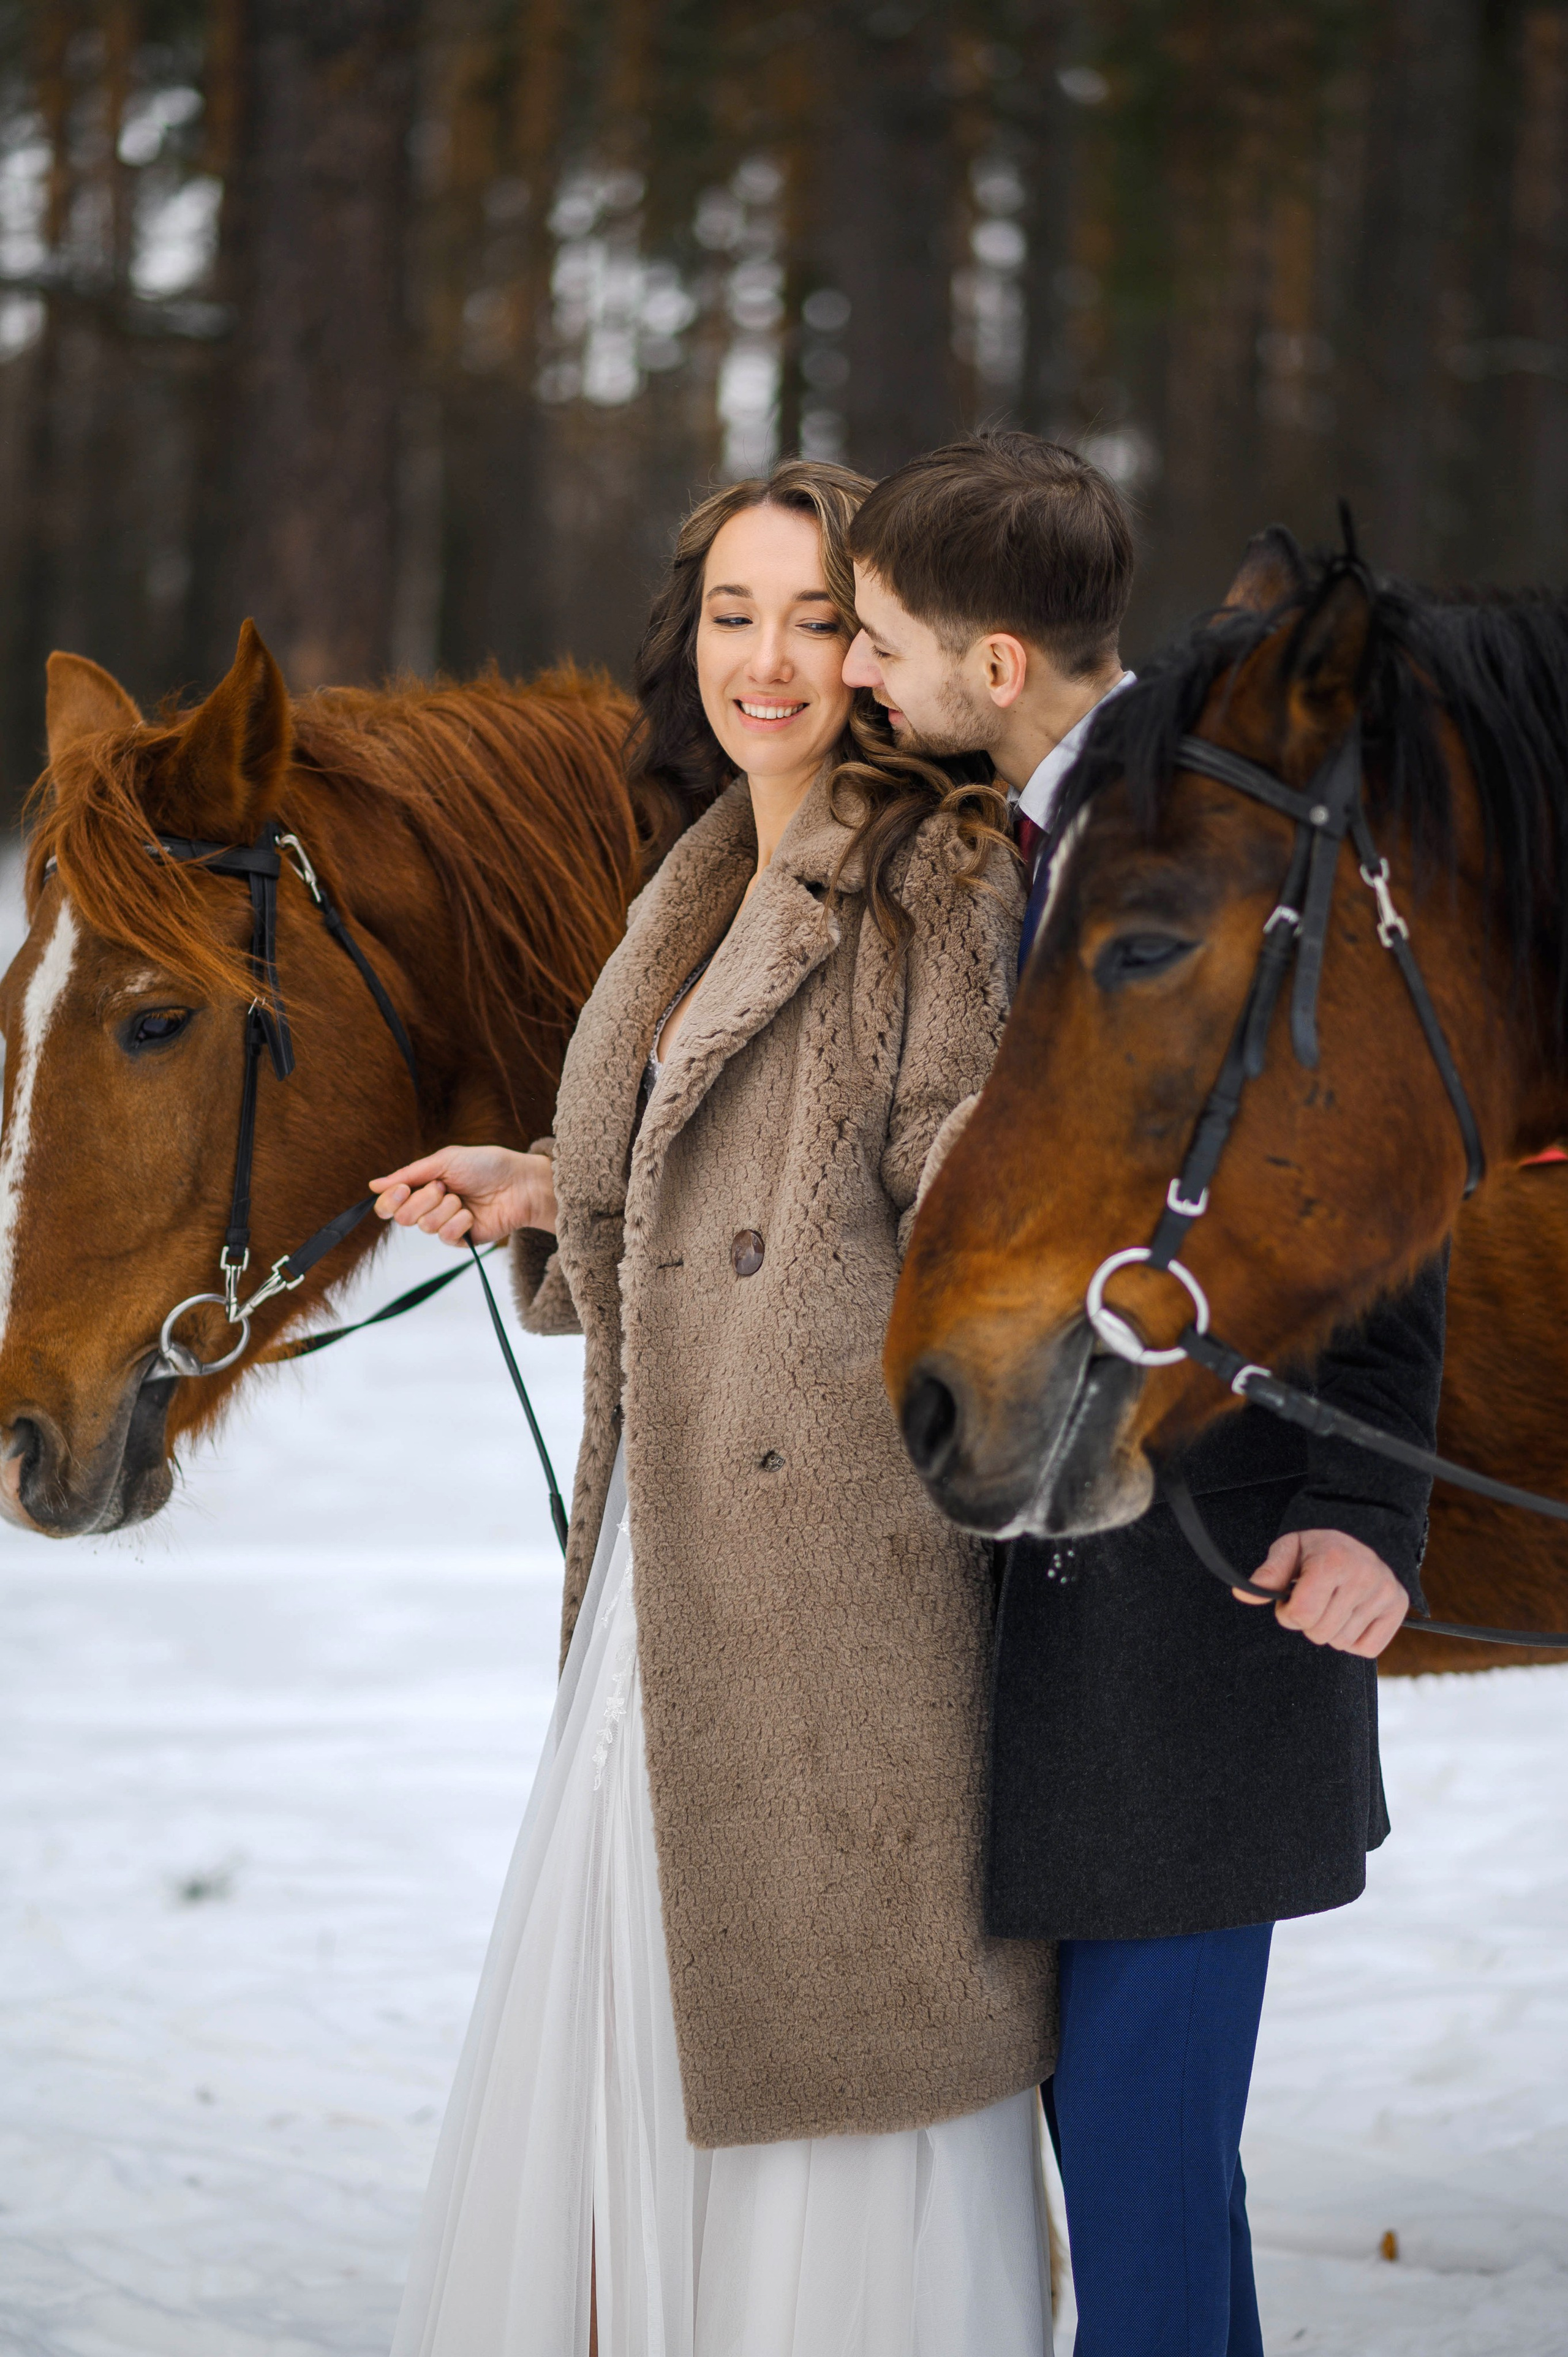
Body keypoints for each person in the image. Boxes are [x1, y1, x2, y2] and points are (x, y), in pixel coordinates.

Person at [374, 458, 1057, 2357]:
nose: (766, 659)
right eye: (734, 614)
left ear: (885, 651)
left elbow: (968, 1219)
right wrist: (544, 1186)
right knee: (646, 2028)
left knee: (824, 2060)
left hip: (835, 1587)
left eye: (818, 620)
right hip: (664, 1565)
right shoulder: (698, 879)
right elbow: (726, 1183)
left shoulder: (938, 878)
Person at [842, 429, 1446, 2357]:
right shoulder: (996, 849)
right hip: (1025, 1616)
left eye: (877, 637)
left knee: (1142, 2162)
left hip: (1208, 1609)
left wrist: (1369, 1509)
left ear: (992, 663)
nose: (855, 671)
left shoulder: (1231, 835)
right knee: (1124, 2169)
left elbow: (1386, 1186)